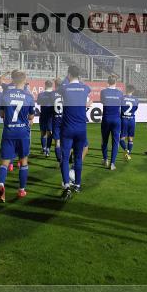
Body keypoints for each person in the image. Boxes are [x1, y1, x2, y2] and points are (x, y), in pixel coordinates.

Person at [0, 69, 36, 203]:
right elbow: (31, 116)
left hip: (9, 132)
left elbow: (2, 114)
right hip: (23, 132)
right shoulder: (29, 96)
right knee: (23, 161)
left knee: (4, 162)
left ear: (12, 80)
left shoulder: (5, 95)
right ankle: (21, 190)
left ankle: (1, 184)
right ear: (25, 81)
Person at [59, 65, 92, 201]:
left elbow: (61, 86)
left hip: (67, 128)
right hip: (81, 129)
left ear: (68, 74)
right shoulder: (85, 88)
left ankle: (67, 186)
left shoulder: (64, 87)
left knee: (65, 158)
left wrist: (66, 79)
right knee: (78, 158)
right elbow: (86, 90)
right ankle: (77, 185)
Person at [100, 74, 124, 170]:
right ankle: (112, 163)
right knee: (115, 142)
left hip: (106, 118)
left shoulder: (103, 92)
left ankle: (105, 159)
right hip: (116, 120)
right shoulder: (120, 93)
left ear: (108, 81)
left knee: (104, 140)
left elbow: (103, 102)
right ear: (115, 82)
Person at [37, 80, 56, 157]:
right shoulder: (54, 94)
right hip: (51, 116)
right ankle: (48, 149)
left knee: (43, 133)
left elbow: (38, 102)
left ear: (45, 85)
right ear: (52, 85)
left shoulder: (41, 94)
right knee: (49, 132)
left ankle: (44, 148)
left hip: (43, 115)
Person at [120, 85, 139, 161]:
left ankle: (126, 150)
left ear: (126, 89)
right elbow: (136, 108)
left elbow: (119, 108)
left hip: (124, 119)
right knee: (130, 138)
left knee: (121, 138)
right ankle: (129, 154)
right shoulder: (136, 99)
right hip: (132, 120)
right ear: (133, 91)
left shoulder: (122, 98)